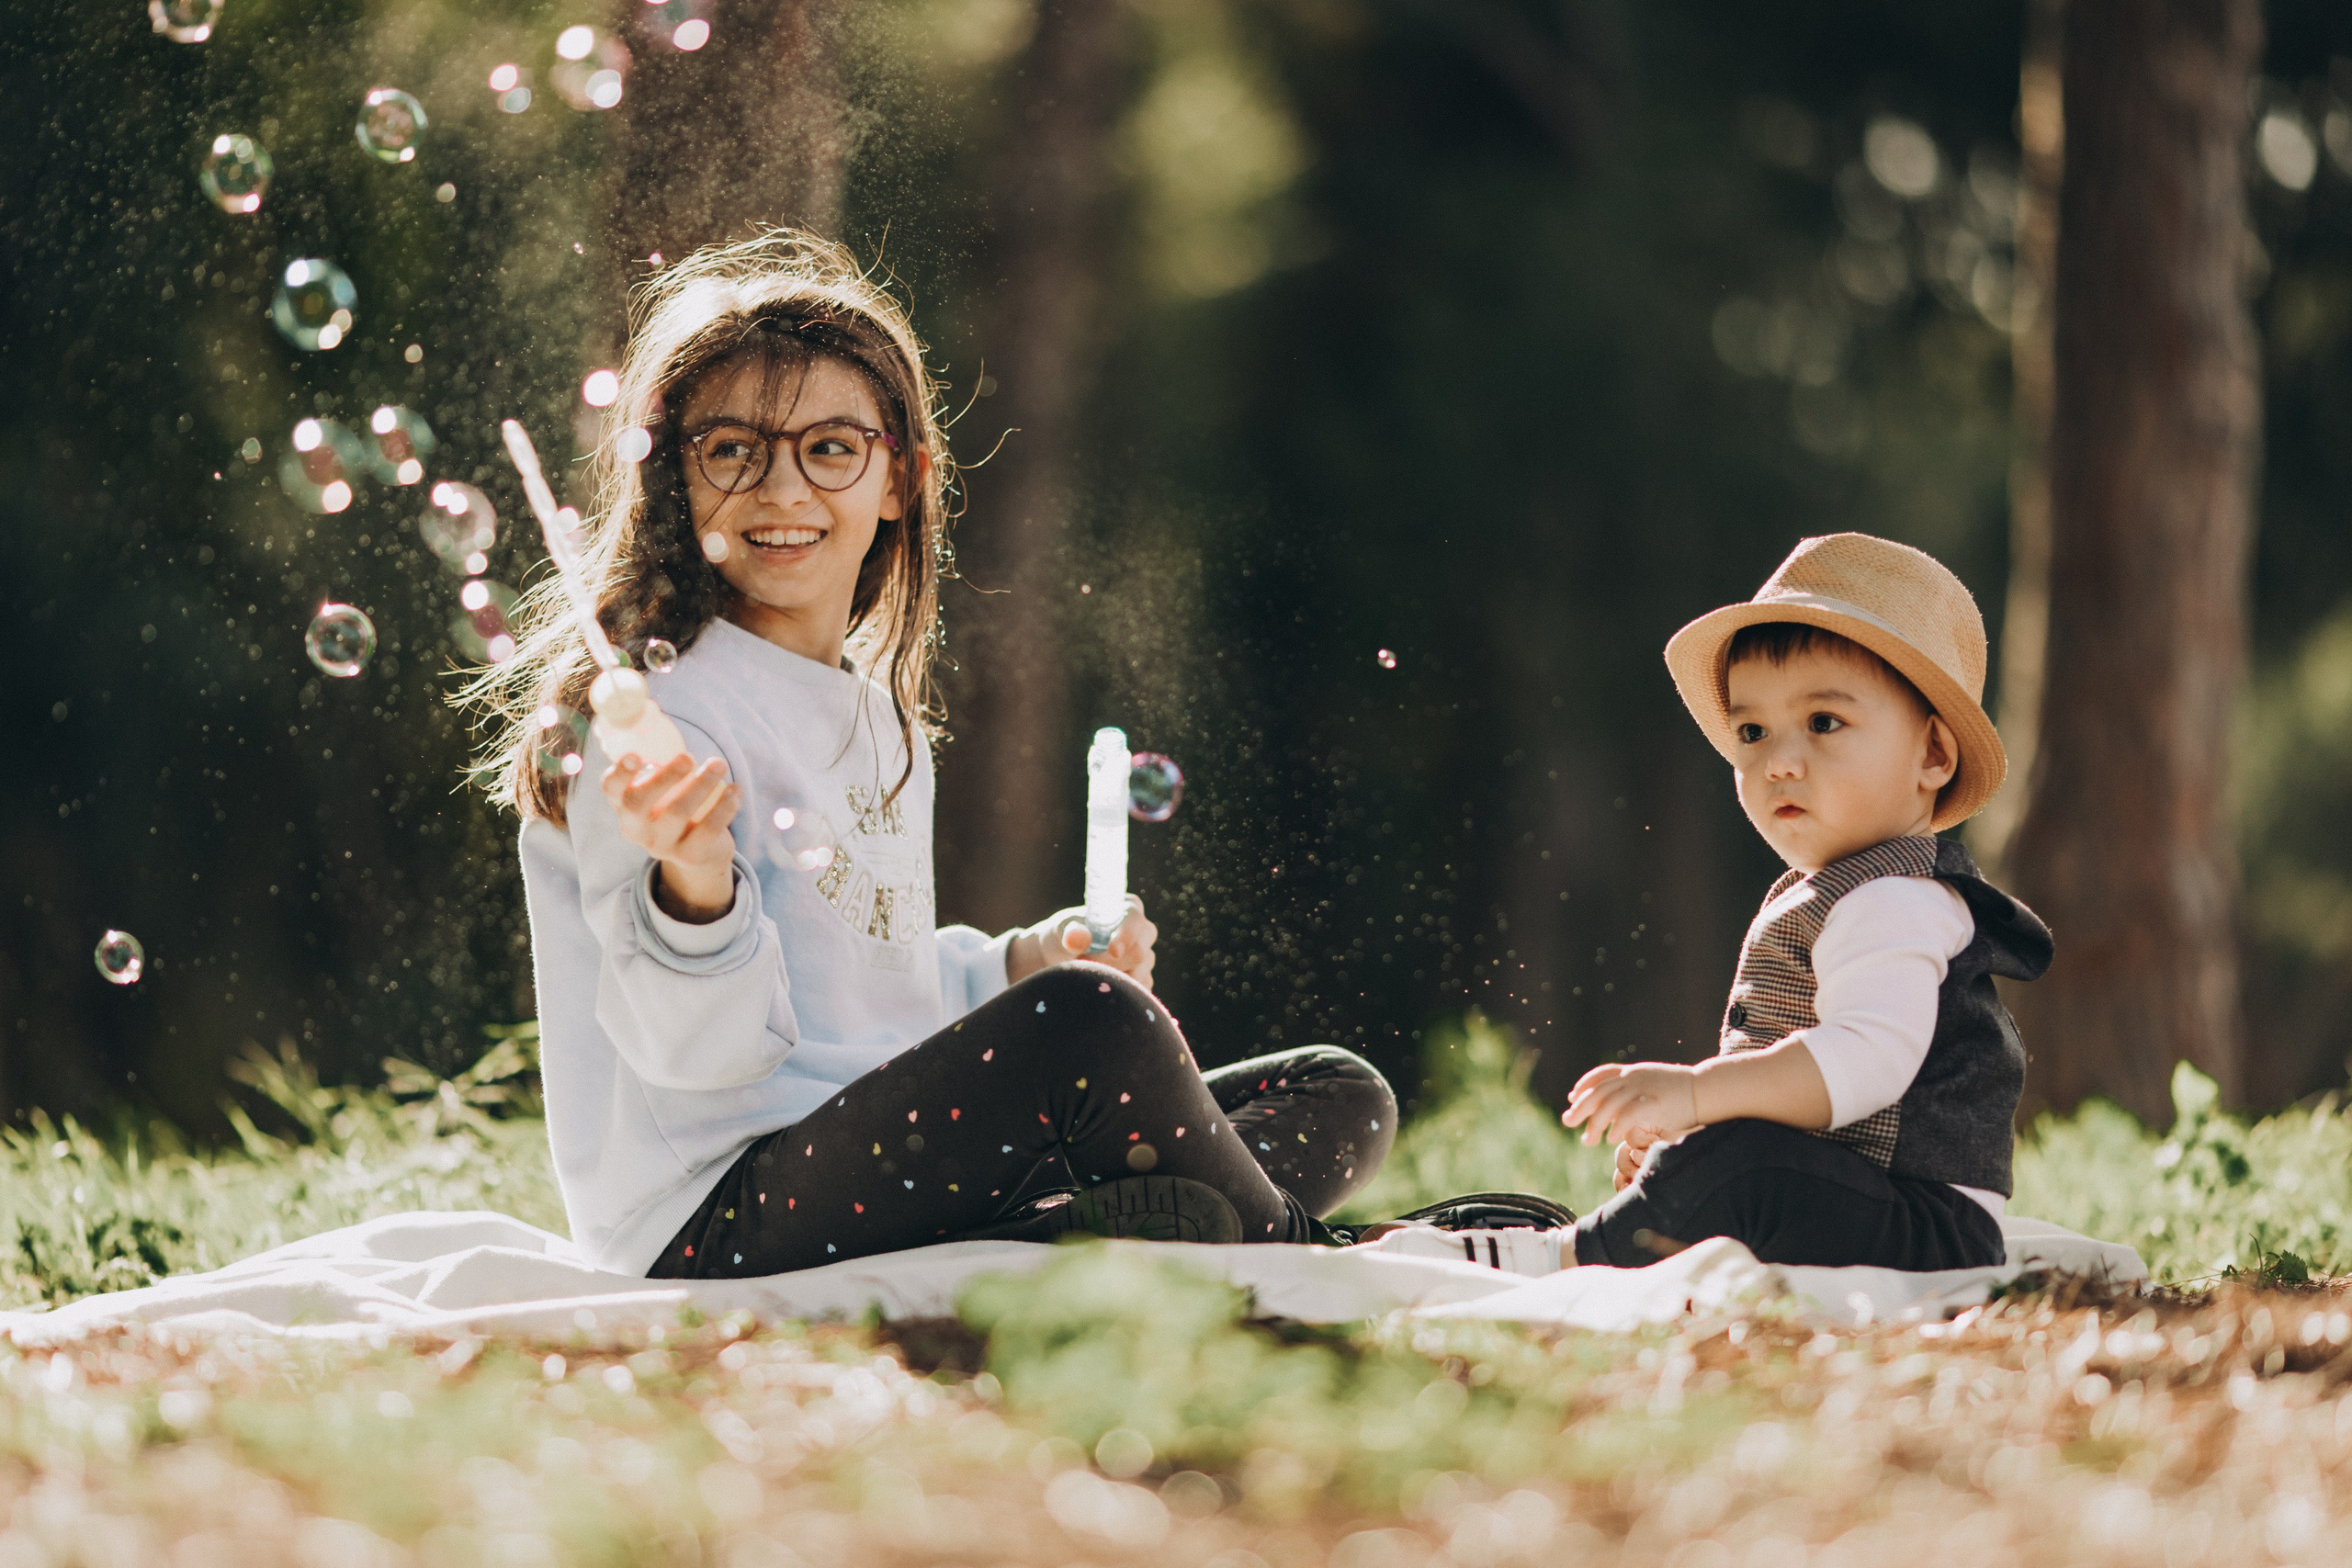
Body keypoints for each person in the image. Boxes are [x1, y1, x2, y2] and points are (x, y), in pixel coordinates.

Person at [460, 231, 1393, 1277]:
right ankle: (1297, 1251)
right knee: (1094, 1025)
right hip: (712, 1219)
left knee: (1334, 1088)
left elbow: (869, 992)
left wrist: (1014, 962)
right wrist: (695, 890)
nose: (781, 489)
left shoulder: (879, 718)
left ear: (900, 481)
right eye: (732, 449)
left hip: (878, 1167)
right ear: (678, 478)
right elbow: (704, 1059)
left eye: (830, 448)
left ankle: (1089, 1232)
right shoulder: (651, 722)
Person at [1371, 532, 2052, 1274]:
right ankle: (1641, 1223)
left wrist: (1701, 1096)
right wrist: (1687, 1145)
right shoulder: (1842, 890)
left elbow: (1866, 1061)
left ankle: (1560, 1257)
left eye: (1824, 722)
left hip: (1926, 1225)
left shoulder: (1899, 901)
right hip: (1863, 1197)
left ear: (1933, 755)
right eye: (1752, 731)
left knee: (1740, 1161)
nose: (1779, 761)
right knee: (1723, 1158)